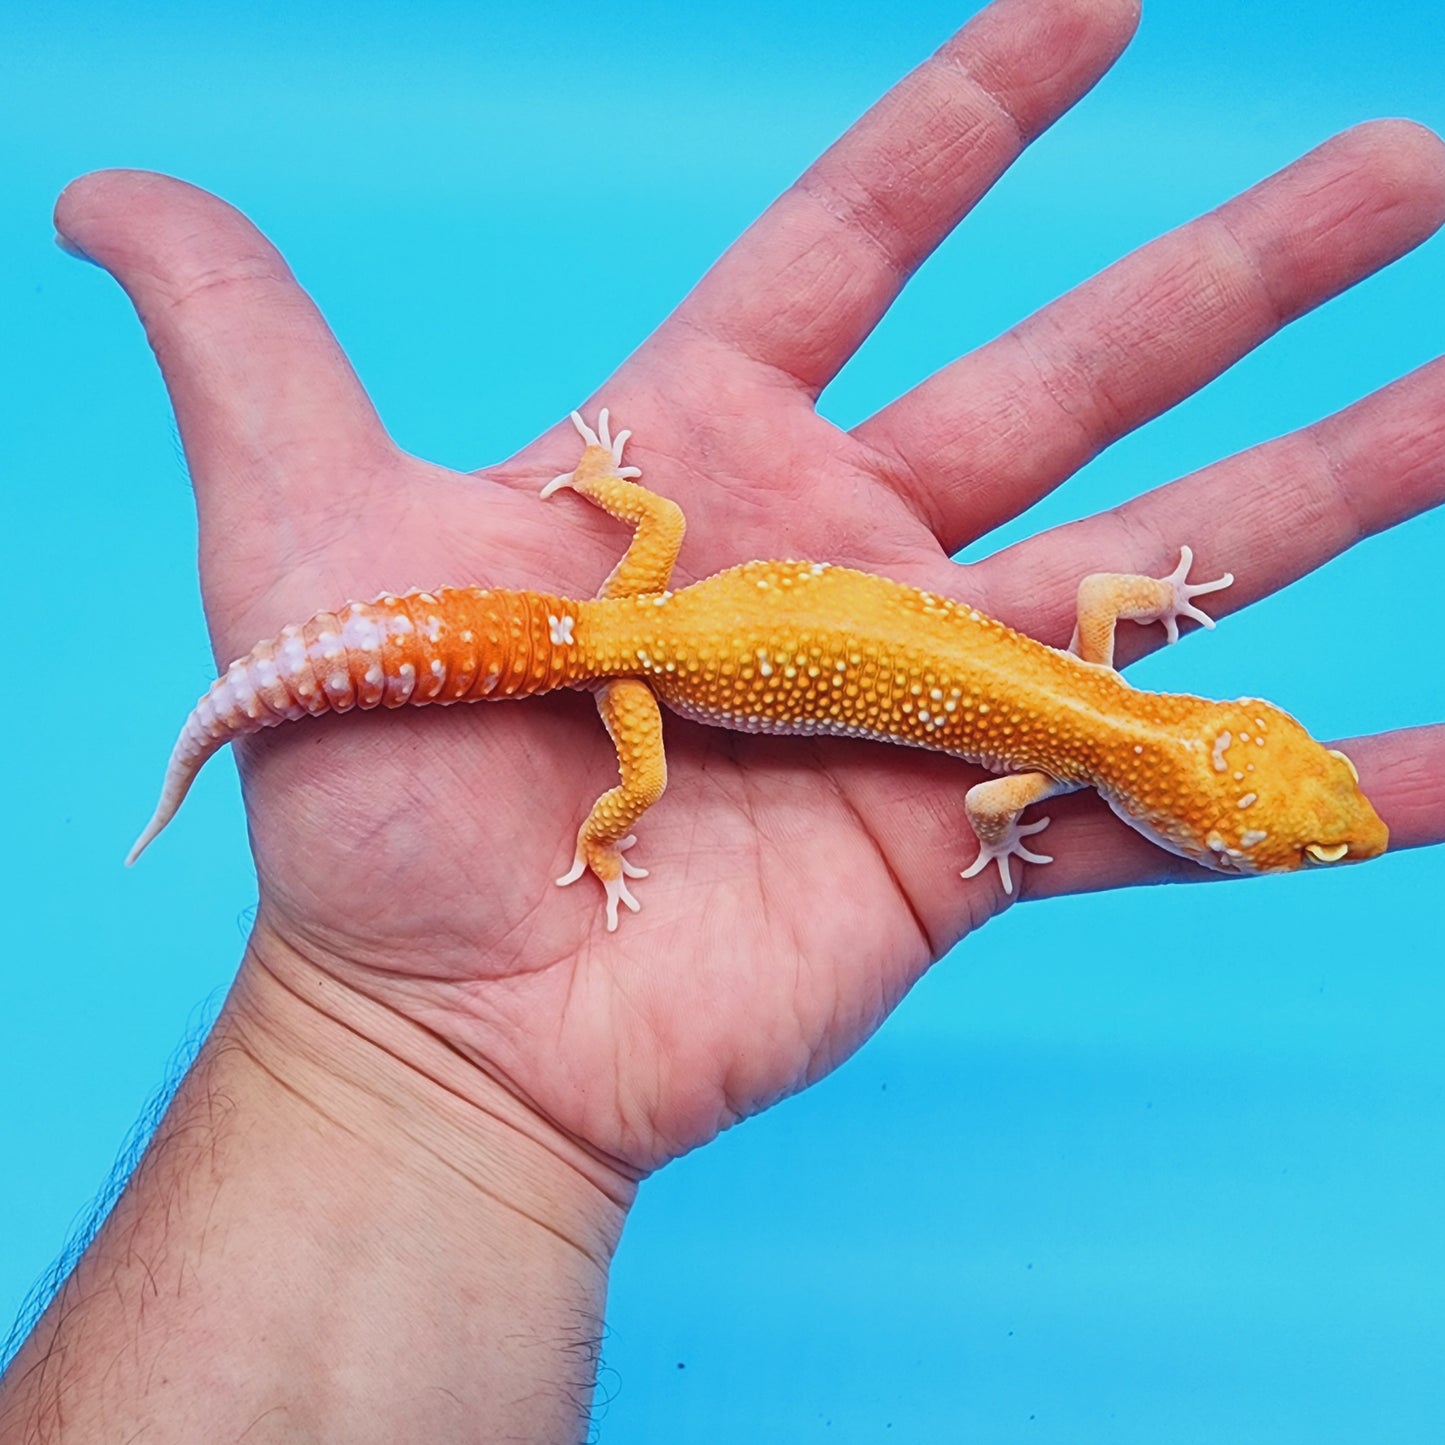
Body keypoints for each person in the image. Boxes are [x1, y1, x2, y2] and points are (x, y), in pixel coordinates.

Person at [4, 0, 1443, 1437]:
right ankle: (602, 839)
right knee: (632, 790)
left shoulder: (1093, 669)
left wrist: (610, 487)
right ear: (1183, 805)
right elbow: (997, 818)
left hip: (658, 596)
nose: (1306, 837)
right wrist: (611, 849)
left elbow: (1107, 599)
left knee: (629, 564)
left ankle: (589, 541)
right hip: (653, 675)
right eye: (1281, 837)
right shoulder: (1044, 764)